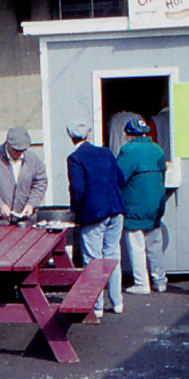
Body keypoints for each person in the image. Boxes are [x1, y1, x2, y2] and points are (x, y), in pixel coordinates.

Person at [65, 121, 126, 318]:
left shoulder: (74, 158)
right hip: (115, 209)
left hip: (92, 213)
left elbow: (77, 189)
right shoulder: (106, 153)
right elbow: (121, 178)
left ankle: (97, 305)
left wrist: (74, 210)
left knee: (93, 260)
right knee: (112, 254)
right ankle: (117, 302)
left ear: (70, 137)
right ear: (89, 134)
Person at [116, 116, 168, 294]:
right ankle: (160, 281)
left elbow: (119, 176)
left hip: (135, 205)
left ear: (130, 135)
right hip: (156, 205)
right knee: (155, 244)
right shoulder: (157, 149)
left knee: (137, 245)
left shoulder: (128, 150)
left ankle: (142, 283)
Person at [0, 127, 48, 227]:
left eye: (22, 150)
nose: (18, 153)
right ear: (7, 143)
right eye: (15, 150)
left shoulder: (33, 159)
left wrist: (31, 204)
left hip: (25, 221)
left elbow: (41, 182)